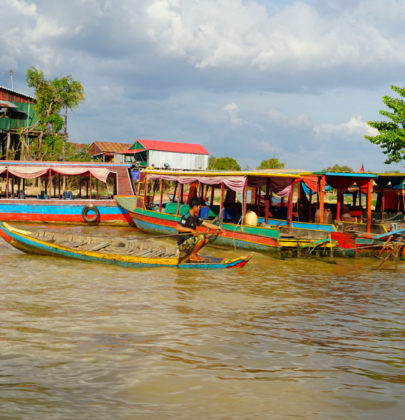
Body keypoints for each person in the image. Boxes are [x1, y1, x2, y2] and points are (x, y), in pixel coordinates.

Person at [176, 197, 223, 262]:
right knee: (201, 237)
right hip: (182, 244)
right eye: (199, 207)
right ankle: (192, 255)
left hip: (190, 242)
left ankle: (193, 253)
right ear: (195, 206)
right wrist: (191, 230)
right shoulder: (186, 216)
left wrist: (219, 228)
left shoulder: (195, 217)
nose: (200, 209)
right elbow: (178, 227)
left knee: (206, 238)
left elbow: (206, 224)